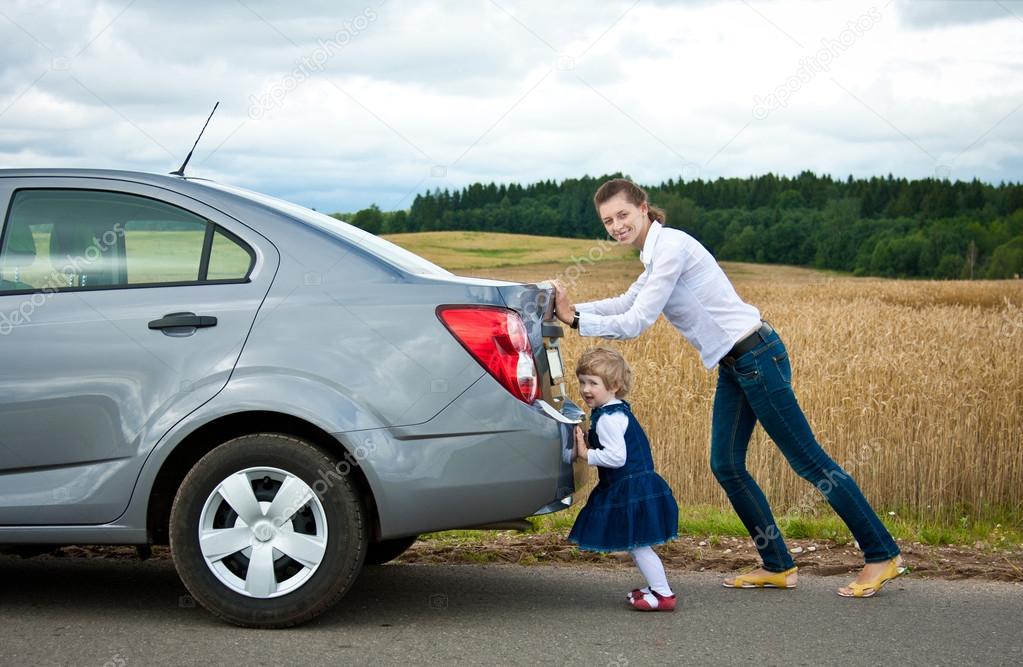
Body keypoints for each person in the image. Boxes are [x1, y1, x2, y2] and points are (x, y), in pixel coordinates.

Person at [554, 178, 905, 598]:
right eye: (608, 221)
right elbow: (626, 301)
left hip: (758, 358)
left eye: (622, 215)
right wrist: (571, 310)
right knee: (727, 464)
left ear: (643, 208)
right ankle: (777, 564)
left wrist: (575, 320)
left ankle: (881, 553)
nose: (616, 226)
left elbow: (636, 320)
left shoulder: (672, 248)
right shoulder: (654, 257)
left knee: (809, 461)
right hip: (735, 366)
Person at [568, 347, 680, 611]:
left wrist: (586, 453)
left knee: (639, 546)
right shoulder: (616, 410)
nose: (585, 389)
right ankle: (656, 588)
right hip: (636, 485)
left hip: (630, 489)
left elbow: (616, 458)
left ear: (614, 386)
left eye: (593, 383)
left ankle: (663, 595)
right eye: (582, 381)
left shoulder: (608, 419)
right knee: (638, 545)